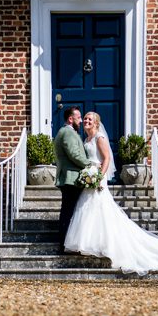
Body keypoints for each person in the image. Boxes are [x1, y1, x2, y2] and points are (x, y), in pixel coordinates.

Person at [65, 112, 158, 275]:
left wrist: (99, 177)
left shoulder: (99, 138)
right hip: (89, 176)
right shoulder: (86, 139)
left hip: (98, 177)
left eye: (90, 119)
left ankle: (106, 245)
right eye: (85, 119)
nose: (86, 121)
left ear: (96, 123)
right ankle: (91, 244)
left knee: (99, 207)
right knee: (86, 207)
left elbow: (106, 159)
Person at [54, 106, 91, 253]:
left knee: (69, 211)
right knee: (68, 212)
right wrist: (91, 164)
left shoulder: (68, 132)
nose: (81, 121)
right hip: (70, 179)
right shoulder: (67, 133)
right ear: (70, 119)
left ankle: (67, 243)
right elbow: (74, 155)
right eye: (79, 118)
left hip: (71, 178)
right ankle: (64, 244)